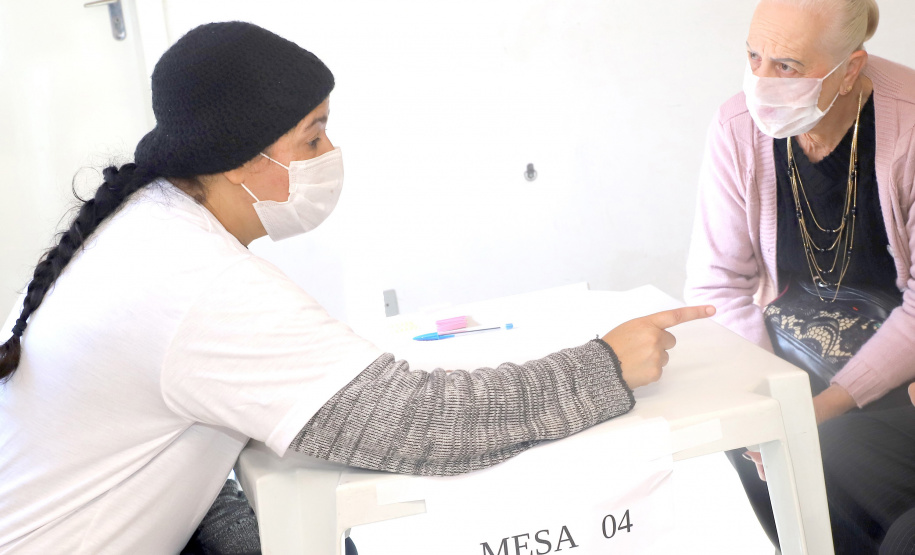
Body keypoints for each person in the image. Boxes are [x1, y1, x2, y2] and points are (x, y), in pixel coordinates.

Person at [0, 22, 714, 553]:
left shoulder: (146, 225)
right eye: (312, 139)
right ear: (237, 161)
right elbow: (421, 424)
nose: (331, 156)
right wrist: (606, 365)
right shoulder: (192, 280)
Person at [684, 0, 915, 552]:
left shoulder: (907, 124)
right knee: (735, 457)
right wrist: (768, 405)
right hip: (785, 363)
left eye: (786, 66)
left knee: (831, 454)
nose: (760, 81)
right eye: (753, 57)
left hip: (893, 378)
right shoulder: (737, 127)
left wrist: (817, 411)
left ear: (851, 68)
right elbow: (717, 284)